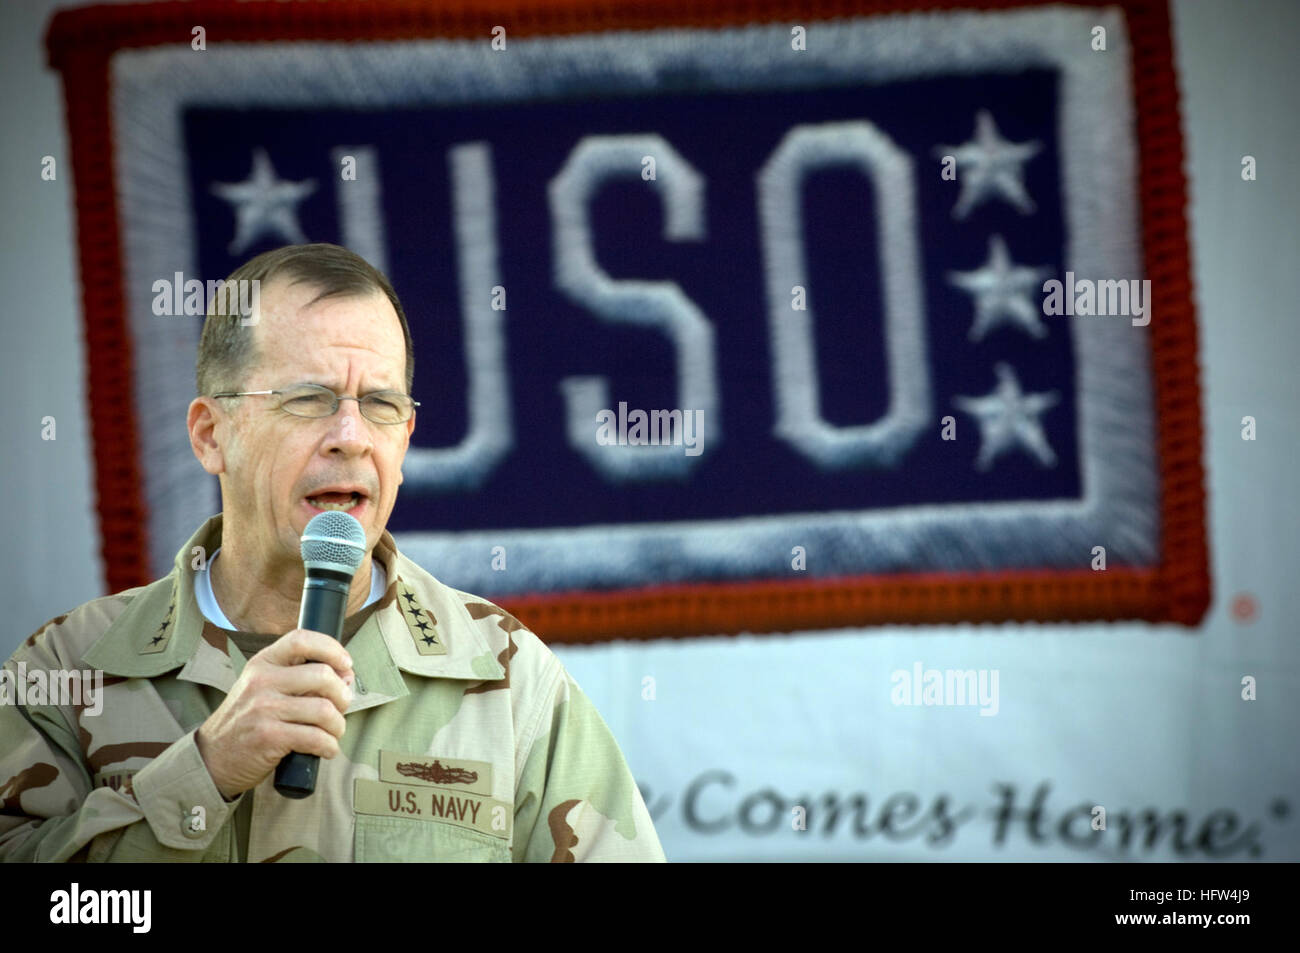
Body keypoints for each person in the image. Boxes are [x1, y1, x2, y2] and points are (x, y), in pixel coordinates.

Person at [0, 243, 666, 862]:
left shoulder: (506, 678)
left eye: (378, 403)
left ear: (405, 439)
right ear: (211, 435)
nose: (350, 436)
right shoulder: (65, 671)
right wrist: (204, 770)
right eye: (309, 399)